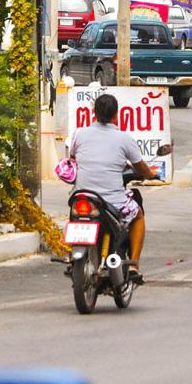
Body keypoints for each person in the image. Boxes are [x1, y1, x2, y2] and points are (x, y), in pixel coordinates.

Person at [69, 92, 156, 278]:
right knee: (137, 215)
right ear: (116, 115)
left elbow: (73, 157)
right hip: (112, 201)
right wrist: (150, 174)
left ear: (94, 113)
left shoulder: (79, 134)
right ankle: (134, 265)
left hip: (82, 197)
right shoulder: (124, 138)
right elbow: (140, 166)